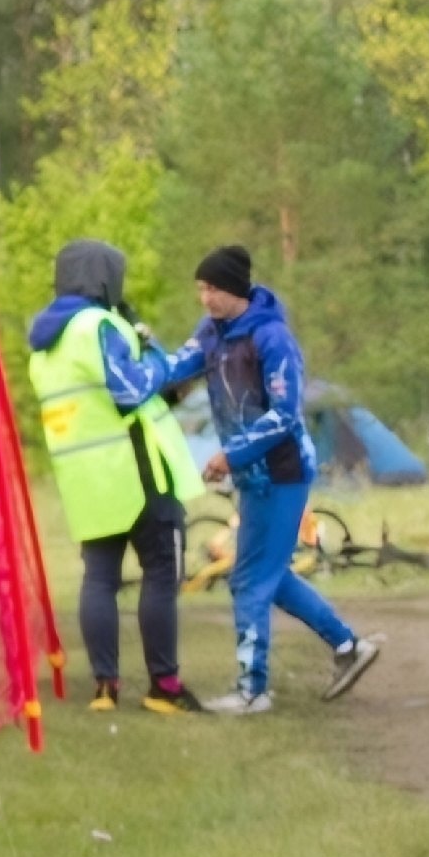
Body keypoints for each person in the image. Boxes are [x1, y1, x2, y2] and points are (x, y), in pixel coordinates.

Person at [166, 246, 382, 714]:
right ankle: (349, 647)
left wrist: (231, 453)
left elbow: (284, 415)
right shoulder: (211, 333)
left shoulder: (272, 337)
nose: (204, 299)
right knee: (270, 577)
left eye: (213, 289)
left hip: (281, 473)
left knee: (248, 580)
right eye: (200, 289)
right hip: (252, 476)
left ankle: (252, 690)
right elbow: (173, 368)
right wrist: (128, 368)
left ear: (235, 289)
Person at [24, 239, 207, 714]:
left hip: (86, 480)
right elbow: (129, 393)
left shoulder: (42, 349)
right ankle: (164, 686)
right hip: (139, 470)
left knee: (100, 579)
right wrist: (156, 359)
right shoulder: (99, 325)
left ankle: (105, 687)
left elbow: (93, 407)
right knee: (162, 573)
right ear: (106, 278)